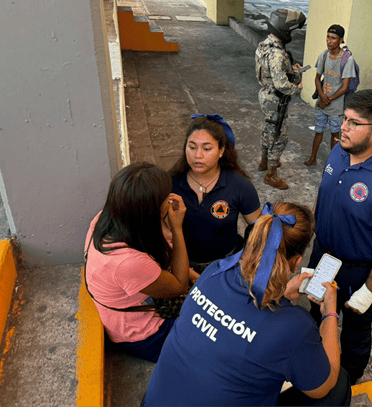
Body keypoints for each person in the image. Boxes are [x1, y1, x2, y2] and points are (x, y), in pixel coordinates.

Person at [143, 202, 351, 407]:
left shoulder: (215, 271)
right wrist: (330, 313)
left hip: (154, 401)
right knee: (338, 384)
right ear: (296, 262)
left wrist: (281, 292)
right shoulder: (294, 325)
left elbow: (240, 312)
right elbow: (323, 387)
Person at [308, 90, 372, 384]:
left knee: (354, 330)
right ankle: (311, 369)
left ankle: (345, 382)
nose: (344, 127)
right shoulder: (340, 151)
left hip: (358, 272)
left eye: (355, 123)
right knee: (313, 317)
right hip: (323, 258)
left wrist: (368, 291)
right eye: (345, 118)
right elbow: (323, 194)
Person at [84, 162, 191, 362]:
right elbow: (179, 285)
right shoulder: (128, 262)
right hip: (144, 335)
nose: (169, 200)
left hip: (133, 302)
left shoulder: (104, 221)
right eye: (164, 199)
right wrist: (177, 228)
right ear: (148, 212)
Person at [168, 114, 261, 275]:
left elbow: (259, 230)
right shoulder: (171, 183)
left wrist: (247, 259)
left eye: (207, 149)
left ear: (221, 151)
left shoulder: (240, 186)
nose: (198, 155)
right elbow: (157, 226)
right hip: (182, 268)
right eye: (192, 147)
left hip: (226, 267)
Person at [255, 8, 306, 189]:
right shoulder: (277, 54)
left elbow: (271, 71)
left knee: (269, 128)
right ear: (283, 30)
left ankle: (264, 161)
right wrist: (297, 87)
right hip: (275, 99)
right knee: (280, 134)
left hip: (266, 95)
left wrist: (292, 69)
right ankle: (271, 173)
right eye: (291, 30)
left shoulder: (265, 45)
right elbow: (281, 84)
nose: (292, 33)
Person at [304, 24, 356, 167]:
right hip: (322, 103)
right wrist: (322, 95)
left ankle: (333, 164)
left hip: (336, 106)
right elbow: (317, 78)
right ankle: (313, 158)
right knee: (318, 131)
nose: (329, 41)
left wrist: (329, 99)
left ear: (341, 40)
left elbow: (345, 87)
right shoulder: (324, 55)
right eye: (328, 37)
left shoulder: (347, 60)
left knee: (335, 135)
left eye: (333, 38)